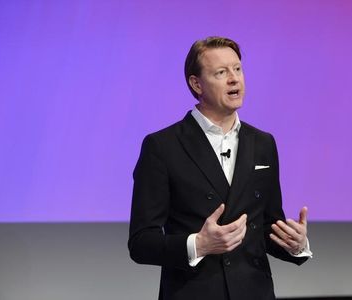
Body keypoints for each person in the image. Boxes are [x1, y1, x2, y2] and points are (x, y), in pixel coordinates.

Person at [128, 36, 312, 300]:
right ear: (196, 83)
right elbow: (141, 243)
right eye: (221, 72)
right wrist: (199, 245)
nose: (234, 79)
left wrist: (296, 244)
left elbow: (266, 227)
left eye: (237, 69)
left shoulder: (263, 143)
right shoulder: (162, 146)